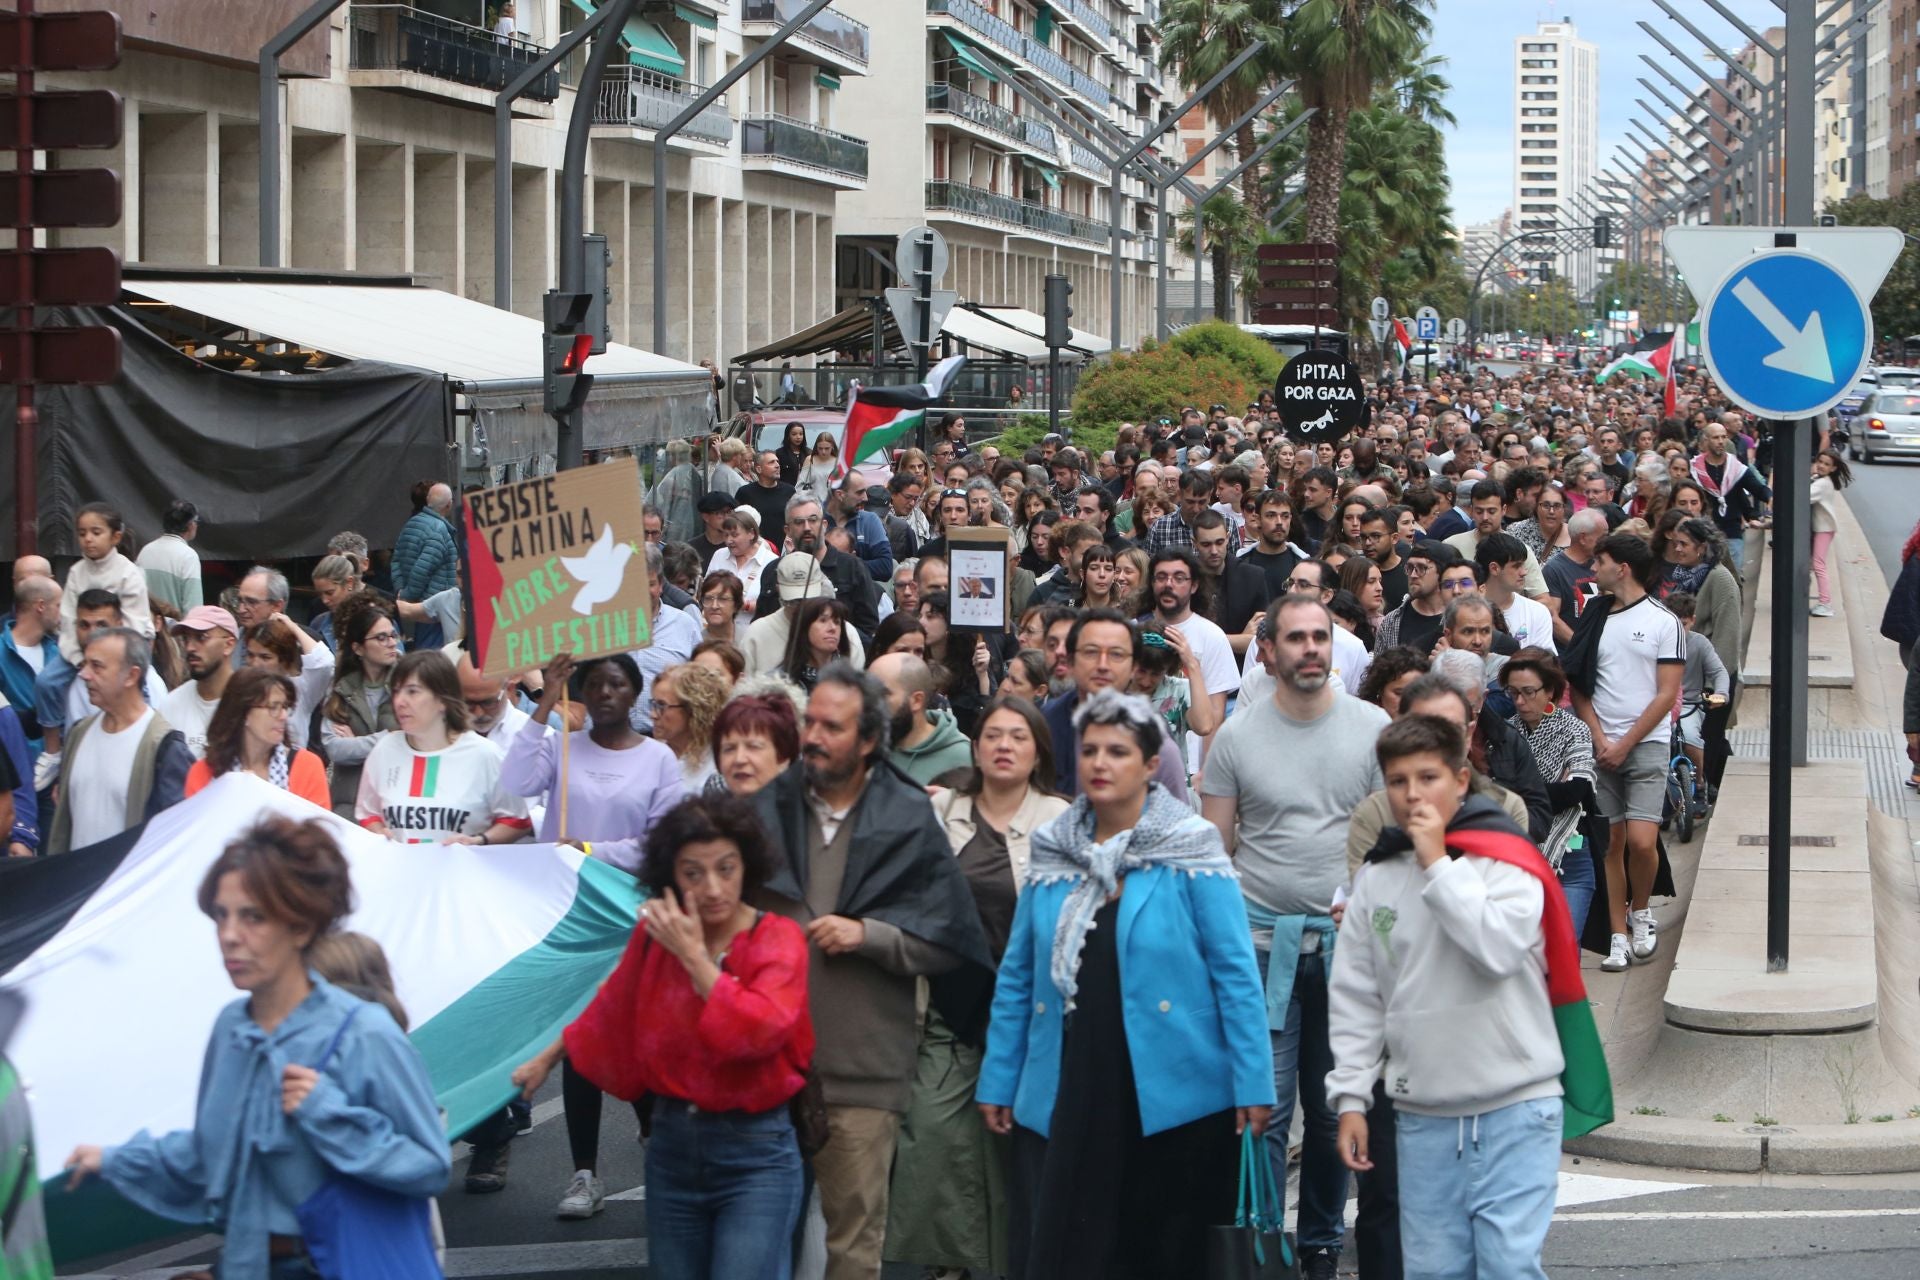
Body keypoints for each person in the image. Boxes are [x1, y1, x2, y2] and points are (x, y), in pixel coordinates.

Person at [63, 816, 450, 1278]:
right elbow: (209, 1155)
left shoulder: (363, 1033)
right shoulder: (231, 1028)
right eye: (221, 914)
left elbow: (429, 1166)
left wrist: (330, 1113)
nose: (229, 934)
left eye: (253, 916)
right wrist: (113, 1160)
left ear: (302, 927)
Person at [979, 688, 1275, 1280]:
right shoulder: (1052, 846)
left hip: (1176, 1091)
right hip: (1068, 1079)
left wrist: (1254, 1084)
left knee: (1161, 1253)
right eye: (1089, 750)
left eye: (1117, 751)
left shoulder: (1191, 845)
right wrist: (999, 1077)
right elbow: (1017, 976)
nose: (1100, 763)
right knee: (1070, 1251)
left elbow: (1236, 974)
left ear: (1148, 765)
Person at [749, 664, 990, 1280]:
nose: (814, 737)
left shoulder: (908, 818)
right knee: (753, 1242)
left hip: (860, 1070)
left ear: (867, 742)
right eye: (810, 722)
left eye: (833, 726)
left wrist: (871, 936)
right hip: (759, 1062)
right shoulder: (761, 811)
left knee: (852, 1242)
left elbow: (950, 940)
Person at [511, 795, 812, 1278]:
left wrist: (694, 959)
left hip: (756, 1155)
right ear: (671, 877)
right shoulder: (655, 934)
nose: (712, 887)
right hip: (672, 1148)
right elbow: (611, 1005)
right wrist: (544, 1060)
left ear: (748, 866)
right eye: (693, 873)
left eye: (726, 868)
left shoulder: (777, 938)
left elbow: (762, 1029)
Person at [1330, 714, 1574, 1280]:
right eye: (1397, 781)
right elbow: (1356, 996)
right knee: (1435, 1271)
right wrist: (1349, 1097)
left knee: (1508, 1267)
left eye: (1428, 777)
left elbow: (1496, 951)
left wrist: (1438, 863)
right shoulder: (1376, 878)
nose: (1413, 794)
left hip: (1516, 1103)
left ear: (1461, 781)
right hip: (1424, 1113)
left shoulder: (1509, 862)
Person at [1200, 593, 1391, 1277]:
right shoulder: (1236, 737)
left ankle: (1317, 1248)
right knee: (1265, 1112)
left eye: (1322, 637)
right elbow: (1215, 855)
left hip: (1346, 954)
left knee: (1336, 1104)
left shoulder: (1373, 727)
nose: (1311, 649)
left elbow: (1387, 846)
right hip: (1259, 949)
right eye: (1297, 639)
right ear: (1269, 651)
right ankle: (1258, 1244)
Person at [886, 697, 1068, 1276]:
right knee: (937, 1142)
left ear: (1038, 748)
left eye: (1018, 735)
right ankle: (951, 1265)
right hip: (948, 1003)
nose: (1004, 745)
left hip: (1033, 1013)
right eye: (993, 734)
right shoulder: (944, 809)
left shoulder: (1060, 820)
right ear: (976, 745)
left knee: (1021, 1149)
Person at [1570, 534, 1683, 973]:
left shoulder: (1663, 621)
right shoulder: (1593, 613)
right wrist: (1599, 740)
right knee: (1610, 843)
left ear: (1623, 568)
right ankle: (1617, 933)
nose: (1592, 567)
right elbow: (1578, 683)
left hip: (1646, 744)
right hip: (1600, 746)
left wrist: (1625, 744)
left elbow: (1665, 694)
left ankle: (1641, 911)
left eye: (1600, 561)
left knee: (1642, 840)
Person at [354, 649, 530, 847]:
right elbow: (369, 814)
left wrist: (479, 841)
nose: (400, 702)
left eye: (412, 691)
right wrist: (379, 832)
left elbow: (517, 821)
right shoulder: (384, 751)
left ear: (442, 699)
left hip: (462, 874)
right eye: (396, 691)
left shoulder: (485, 754)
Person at [48, 627, 190, 855]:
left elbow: (176, 837)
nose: (84, 674)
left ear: (131, 676)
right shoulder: (78, 734)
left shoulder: (164, 747)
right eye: (85, 664)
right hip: (76, 885)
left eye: (97, 666)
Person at [1041, 610, 1190, 801]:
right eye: (1091, 652)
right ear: (1071, 660)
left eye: (1116, 654)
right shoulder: (1047, 720)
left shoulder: (1152, 732)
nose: (1103, 665)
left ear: (1133, 667)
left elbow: (1175, 820)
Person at [184, 666, 332, 808]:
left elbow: (321, 831)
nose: (283, 716)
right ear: (244, 713)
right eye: (273, 707)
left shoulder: (307, 767)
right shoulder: (203, 772)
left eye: (285, 707)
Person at [58, 502, 152, 663]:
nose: (88, 539)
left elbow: (134, 624)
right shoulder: (76, 572)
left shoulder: (128, 573)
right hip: (81, 653)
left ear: (115, 537)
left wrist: (113, 658)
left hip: (123, 656)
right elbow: (68, 620)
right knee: (47, 681)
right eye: (82, 534)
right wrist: (78, 658)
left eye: (96, 532)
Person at [1655, 517, 1741, 681]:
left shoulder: (1719, 578)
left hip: (1705, 682)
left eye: (1684, 544)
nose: (1678, 549)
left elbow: (1727, 637)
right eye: (1676, 544)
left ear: (1701, 547)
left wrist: (1714, 686)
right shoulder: (1683, 575)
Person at [869, 651, 973, 784]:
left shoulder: (962, 757)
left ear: (916, 701)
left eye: (882, 694)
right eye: (867, 691)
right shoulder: (865, 748)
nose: (870, 702)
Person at [241, 615, 336, 751]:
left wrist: (292, 626)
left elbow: (324, 663)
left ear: (284, 660)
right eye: (250, 655)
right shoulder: (239, 687)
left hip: (291, 766)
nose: (255, 663)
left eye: (265, 657)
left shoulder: (299, 688)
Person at [1690, 419, 1770, 577]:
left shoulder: (1736, 467)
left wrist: (1770, 498)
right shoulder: (1694, 469)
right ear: (1706, 440)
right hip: (1703, 533)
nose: (1720, 441)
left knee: (1733, 578)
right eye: (1716, 437)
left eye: (1723, 437)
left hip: (1732, 532)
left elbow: (1758, 488)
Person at [159, 605, 240, 760]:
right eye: (186, 639)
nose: (190, 647)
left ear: (228, 645)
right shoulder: (171, 704)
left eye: (201, 637)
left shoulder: (250, 702)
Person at [391, 482, 460, 648]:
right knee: (432, 658)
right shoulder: (439, 530)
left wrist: (400, 590)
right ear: (449, 505)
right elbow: (422, 570)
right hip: (433, 606)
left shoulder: (411, 524)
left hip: (418, 603)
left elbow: (395, 560)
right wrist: (408, 594)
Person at [651, 661, 727, 792]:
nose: (653, 715)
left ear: (693, 710)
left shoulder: (721, 760)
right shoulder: (649, 756)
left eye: (661, 706)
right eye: (653, 704)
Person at [1478, 532, 1557, 654]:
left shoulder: (1537, 612)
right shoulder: (1466, 612)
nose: (1524, 572)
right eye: (1516, 566)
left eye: (1523, 565)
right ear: (1494, 568)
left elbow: (1546, 665)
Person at [712, 689, 801, 795]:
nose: (739, 759)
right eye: (729, 749)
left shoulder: (804, 809)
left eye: (753, 747)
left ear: (783, 757)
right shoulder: (706, 810)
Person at [1374, 543, 1452, 657]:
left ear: (1442, 573)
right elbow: (1378, 670)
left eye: (1422, 568)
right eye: (1409, 568)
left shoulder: (1456, 620)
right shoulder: (1391, 621)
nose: (1413, 575)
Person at [137, 499, 203, 612]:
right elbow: (194, 608)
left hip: (146, 625)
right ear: (191, 525)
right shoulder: (188, 556)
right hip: (175, 628)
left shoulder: (145, 551)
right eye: (196, 521)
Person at [1809, 447, 1853, 618]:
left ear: (1833, 468)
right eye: (1820, 462)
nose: (1821, 466)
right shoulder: (1821, 480)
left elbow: (1803, 496)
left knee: (1819, 565)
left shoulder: (1822, 484)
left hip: (1823, 529)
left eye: (1826, 464)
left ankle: (1825, 603)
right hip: (1823, 528)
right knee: (1817, 564)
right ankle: (1823, 601)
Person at [709, 508, 778, 615]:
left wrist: (744, 605)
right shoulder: (719, 555)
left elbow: (774, 604)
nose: (729, 540)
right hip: (719, 629)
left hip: (753, 629)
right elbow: (706, 589)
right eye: (726, 535)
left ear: (751, 533)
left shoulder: (771, 561)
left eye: (734, 535)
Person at [741, 450, 799, 548]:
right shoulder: (745, 493)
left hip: (785, 549)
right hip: (756, 549)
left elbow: (796, 520)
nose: (777, 465)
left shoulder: (789, 491)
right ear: (759, 469)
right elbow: (740, 523)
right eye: (771, 462)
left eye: (777, 462)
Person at [798, 431, 842, 504]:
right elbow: (800, 485)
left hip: (833, 505)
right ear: (816, 447)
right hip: (813, 504)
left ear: (832, 447)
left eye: (827, 448)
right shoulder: (810, 460)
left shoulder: (838, 462)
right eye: (820, 448)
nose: (823, 451)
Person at [775, 421, 811, 487]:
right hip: (785, 491)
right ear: (788, 436)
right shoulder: (780, 453)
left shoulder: (809, 453)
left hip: (805, 492)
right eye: (794, 434)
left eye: (801, 434)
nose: (798, 437)